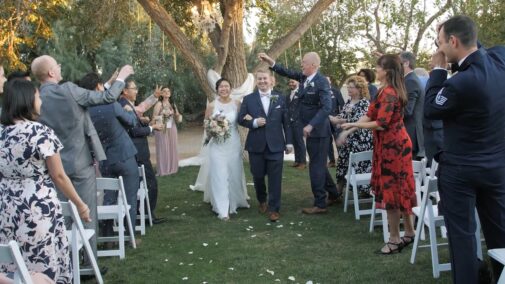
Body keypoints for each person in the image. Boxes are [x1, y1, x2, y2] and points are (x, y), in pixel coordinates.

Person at [31, 55, 133, 268]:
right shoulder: (68, 89)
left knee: (62, 216)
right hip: (81, 163)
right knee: (87, 213)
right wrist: (121, 77)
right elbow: (105, 98)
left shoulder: (36, 98)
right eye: (57, 65)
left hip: (53, 167)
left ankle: (66, 264)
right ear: (51, 72)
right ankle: (89, 265)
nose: (60, 67)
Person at [425, 15, 505, 283]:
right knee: (500, 233)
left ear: (453, 41)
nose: (439, 50)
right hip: (496, 167)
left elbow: (431, 109)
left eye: (440, 43)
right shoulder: (500, 61)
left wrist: (437, 70)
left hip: (460, 170)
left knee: (462, 236)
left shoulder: (459, 83)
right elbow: (478, 48)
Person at [0, 79, 91, 283]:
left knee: (13, 266)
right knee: (43, 266)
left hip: (6, 208)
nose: (41, 101)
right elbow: (59, 176)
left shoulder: (1, 134)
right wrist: (81, 204)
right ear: (28, 99)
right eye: (38, 96)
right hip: (37, 209)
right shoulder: (40, 133)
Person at [342, 54, 416, 254]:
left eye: (379, 67)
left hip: (395, 147)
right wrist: (349, 130)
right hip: (386, 145)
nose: (376, 70)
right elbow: (371, 115)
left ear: (387, 71)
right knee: (398, 189)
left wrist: (354, 123)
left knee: (393, 191)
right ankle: (409, 233)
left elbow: (381, 124)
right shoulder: (383, 91)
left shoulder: (391, 92)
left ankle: (395, 239)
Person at [259, 52, 340, 214]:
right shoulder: (304, 78)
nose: (301, 65)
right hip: (310, 130)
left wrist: (311, 125)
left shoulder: (321, 81)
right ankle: (333, 194)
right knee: (318, 165)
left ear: (313, 66)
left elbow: (326, 107)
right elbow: (287, 72)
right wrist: (271, 62)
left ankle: (320, 204)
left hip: (318, 131)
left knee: (316, 167)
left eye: (304, 62)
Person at [78, 72, 140, 236]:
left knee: (109, 197)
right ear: (99, 86)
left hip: (104, 159)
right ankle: (129, 235)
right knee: (130, 196)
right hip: (125, 156)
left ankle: (107, 234)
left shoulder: (85, 110)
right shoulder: (111, 104)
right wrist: (129, 111)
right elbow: (132, 122)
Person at [238, 70, 292, 221]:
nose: (262, 81)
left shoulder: (280, 98)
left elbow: (286, 123)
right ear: (256, 81)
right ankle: (262, 200)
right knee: (258, 176)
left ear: (271, 80)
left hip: (276, 145)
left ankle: (274, 209)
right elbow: (240, 119)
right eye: (259, 79)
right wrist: (253, 123)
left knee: (275, 178)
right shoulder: (248, 99)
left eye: (265, 78)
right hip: (256, 145)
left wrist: (289, 142)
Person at [200, 78, 250, 221]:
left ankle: (237, 201)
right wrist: (214, 130)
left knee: (235, 173)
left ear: (231, 88)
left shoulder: (237, 104)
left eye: (226, 86)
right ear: (217, 89)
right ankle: (222, 209)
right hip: (217, 146)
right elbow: (206, 125)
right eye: (221, 87)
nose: (224, 89)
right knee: (219, 175)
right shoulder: (211, 105)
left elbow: (244, 119)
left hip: (233, 143)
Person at [119, 80, 166, 224]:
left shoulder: (126, 104)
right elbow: (133, 130)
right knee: (150, 183)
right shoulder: (124, 105)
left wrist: (144, 122)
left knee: (144, 184)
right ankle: (147, 216)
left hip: (137, 151)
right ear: (125, 91)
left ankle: (145, 214)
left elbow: (139, 112)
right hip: (137, 152)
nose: (136, 91)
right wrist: (152, 128)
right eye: (134, 88)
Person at [330, 75, 373, 195]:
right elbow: (344, 116)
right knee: (343, 163)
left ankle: (364, 190)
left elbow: (359, 122)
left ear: (360, 89)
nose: (348, 89)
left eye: (351, 87)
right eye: (348, 87)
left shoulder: (364, 103)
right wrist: (335, 119)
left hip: (360, 139)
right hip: (347, 139)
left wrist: (344, 129)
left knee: (359, 164)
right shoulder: (349, 101)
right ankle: (337, 192)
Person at [400, 51, 425, 159]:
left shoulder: (410, 81)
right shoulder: (408, 79)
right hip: (409, 133)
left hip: (410, 134)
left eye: (398, 63)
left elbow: (408, 110)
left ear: (406, 63)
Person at [152, 87, 180, 176]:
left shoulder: (173, 104)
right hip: (162, 128)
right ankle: (163, 169)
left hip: (172, 128)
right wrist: (163, 116)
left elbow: (177, 117)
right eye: (164, 91)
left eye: (168, 91)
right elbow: (153, 118)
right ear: (161, 94)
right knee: (163, 147)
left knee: (172, 146)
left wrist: (177, 115)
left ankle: (172, 167)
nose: (167, 92)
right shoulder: (159, 104)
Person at [285, 79, 306, 169]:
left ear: (298, 83)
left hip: (299, 121)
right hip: (290, 121)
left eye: (293, 82)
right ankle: (297, 161)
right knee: (294, 141)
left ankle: (303, 162)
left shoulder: (301, 93)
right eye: (290, 82)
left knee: (300, 142)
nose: (291, 84)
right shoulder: (288, 95)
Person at [327, 76, 345, 168]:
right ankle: (332, 161)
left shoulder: (335, 91)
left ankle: (342, 160)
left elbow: (342, 105)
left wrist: (340, 117)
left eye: (327, 80)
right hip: (325, 121)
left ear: (330, 81)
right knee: (327, 141)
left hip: (335, 119)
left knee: (338, 139)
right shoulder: (320, 91)